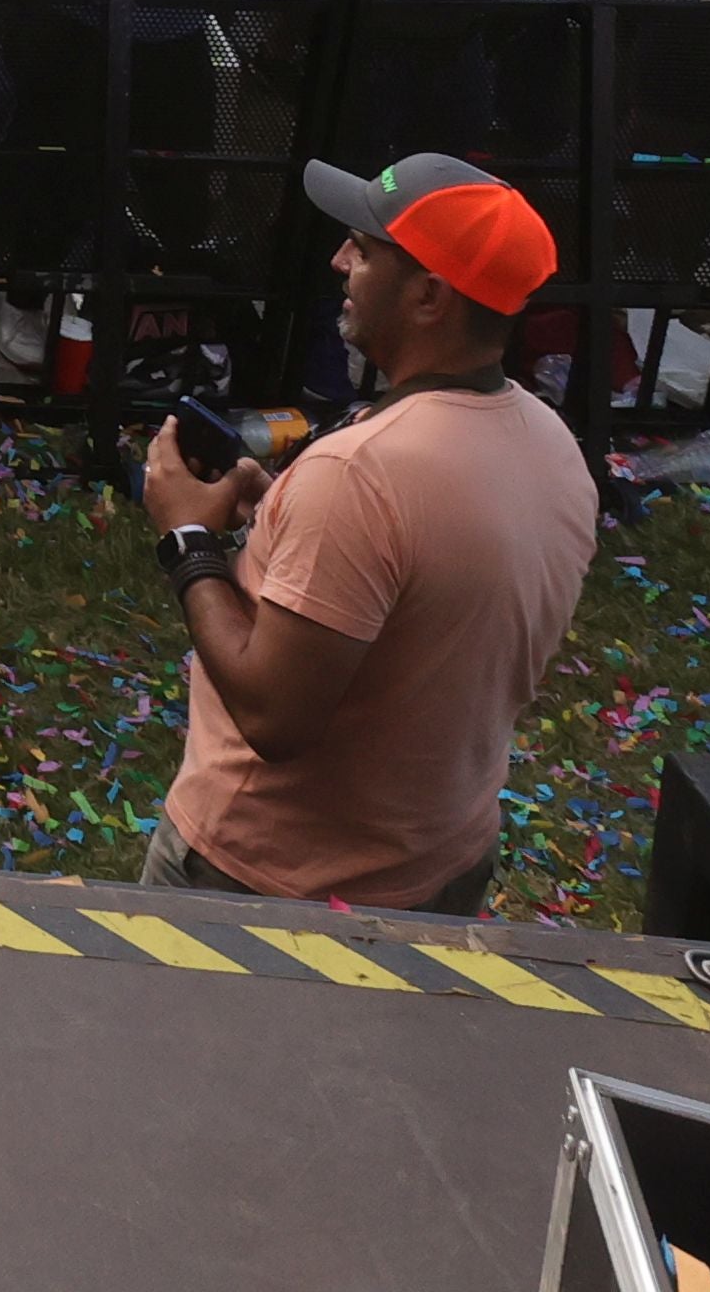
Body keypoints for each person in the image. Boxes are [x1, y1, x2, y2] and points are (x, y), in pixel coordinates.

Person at [134, 152, 594, 913]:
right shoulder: (550, 444)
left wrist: (187, 539)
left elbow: (274, 717)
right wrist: (289, 515)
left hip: (269, 882)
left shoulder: (360, 474)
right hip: (441, 863)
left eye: (366, 249)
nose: (339, 259)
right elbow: (421, 588)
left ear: (428, 296)